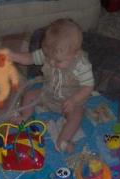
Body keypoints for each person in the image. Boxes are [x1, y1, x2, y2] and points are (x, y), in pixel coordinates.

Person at [10, 18, 94, 153]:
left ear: (75, 54)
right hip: (48, 93)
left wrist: (74, 100)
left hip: (71, 101)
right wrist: (13, 56)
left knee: (77, 115)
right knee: (29, 95)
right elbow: (29, 58)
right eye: (48, 57)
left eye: (58, 61)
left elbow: (88, 86)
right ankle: (25, 116)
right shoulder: (50, 53)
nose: (52, 62)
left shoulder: (82, 64)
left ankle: (63, 140)